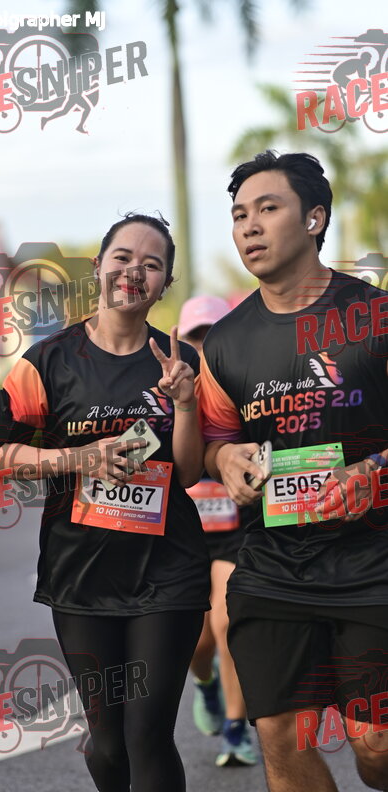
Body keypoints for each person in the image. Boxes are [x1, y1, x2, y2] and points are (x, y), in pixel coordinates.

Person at [0, 213, 210, 792]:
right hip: (82, 573)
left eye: (151, 265)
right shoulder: (50, 361)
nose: (135, 271)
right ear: (99, 266)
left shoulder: (180, 362)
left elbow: (187, 473)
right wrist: (77, 459)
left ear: (165, 284)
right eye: (123, 257)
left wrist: (184, 402)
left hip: (168, 568)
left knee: (147, 735)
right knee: (108, 746)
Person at [198, 150, 388, 792]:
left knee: (377, 746)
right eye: (238, 215)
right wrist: (224, 458)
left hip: (375, 560)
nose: (249, 226)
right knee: (280, 734)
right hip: (274, 562)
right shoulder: (225, 342)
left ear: (314, 219)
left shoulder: (374, 315)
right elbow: (215, 439)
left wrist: (375, 470)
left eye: (267, 208)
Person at [178, 295, 257, 767]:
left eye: (213, 333)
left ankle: (235, 730)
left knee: (226, 624)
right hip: (182, 532)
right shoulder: (165, 394)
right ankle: (205, 683)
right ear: (181, 341)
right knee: (195, 637)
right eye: (196, 335)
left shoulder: (246, 386)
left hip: (235, 529)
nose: (205, 344)